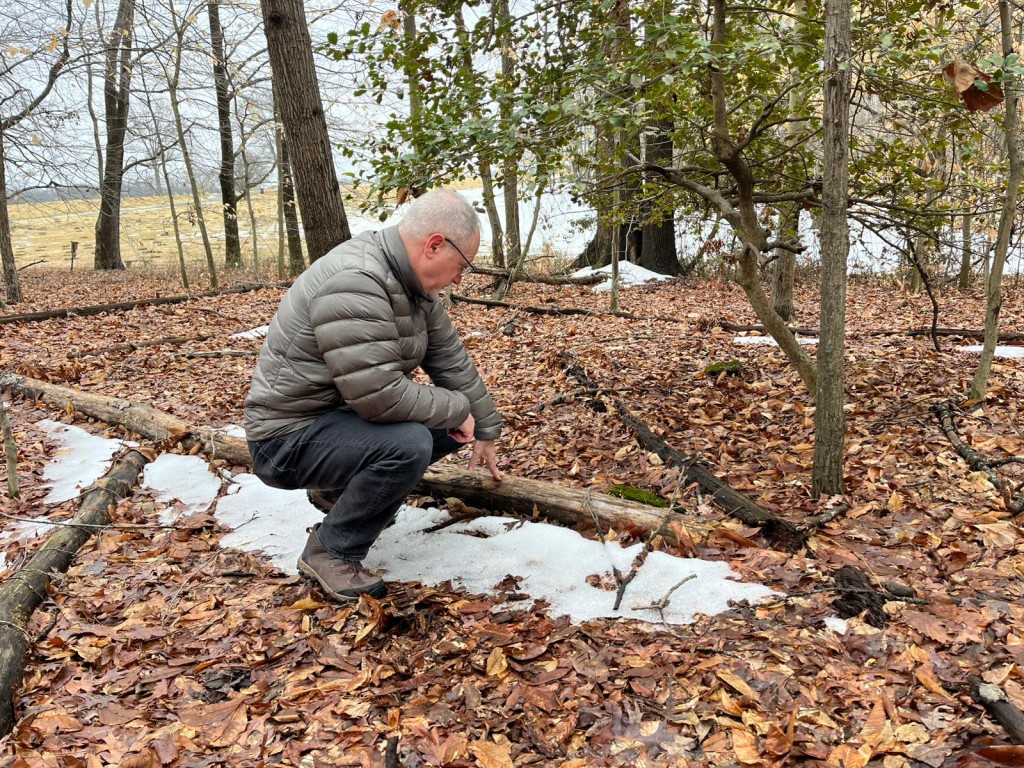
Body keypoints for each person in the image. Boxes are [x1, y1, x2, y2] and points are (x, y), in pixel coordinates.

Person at [243, 189, 504, 602]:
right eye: (462, 266)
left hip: (336, 422)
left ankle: (338, 492)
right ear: (435, 245)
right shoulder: (356, 281)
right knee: (412, 442)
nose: (458, 279)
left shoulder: (411, 286)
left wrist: (484, 427)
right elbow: (379, 398)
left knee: (444, 429)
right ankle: (331, 550)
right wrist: (457, 410)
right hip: (285, 440)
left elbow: (450, 360)